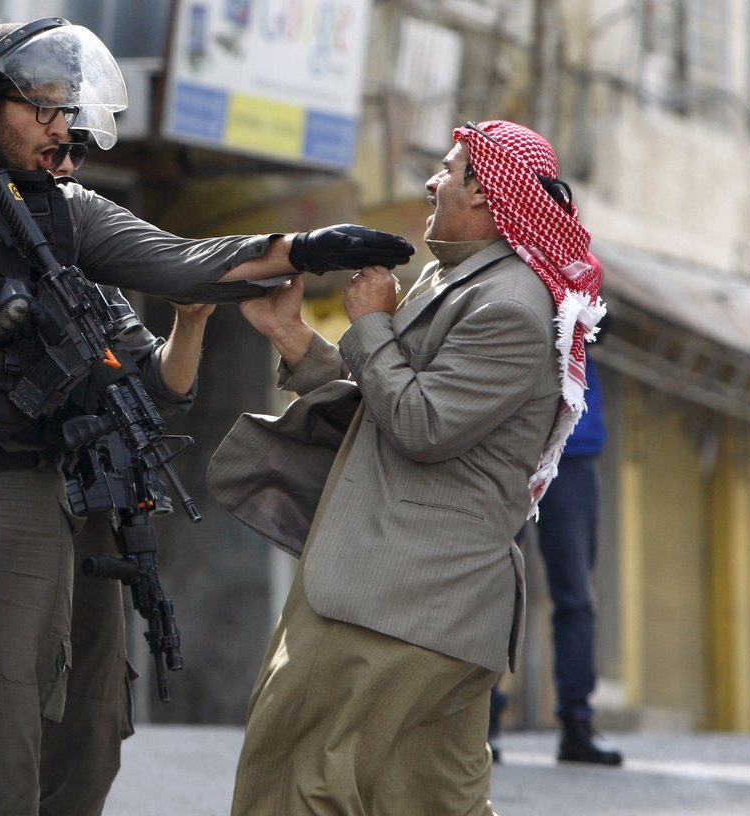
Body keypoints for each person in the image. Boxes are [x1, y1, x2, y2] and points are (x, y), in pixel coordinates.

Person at [0, 17, 414, 816]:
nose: (61, 126)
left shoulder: (67, 214)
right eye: (42, 107)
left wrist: (302, 249)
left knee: (13, 730)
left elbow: (182, 260)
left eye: (65, 108)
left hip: (32, 493)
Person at [208, 120, 605, 814]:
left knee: (298, 783)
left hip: (399, 602)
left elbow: (422, 425)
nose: (430, 182)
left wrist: (370, 324)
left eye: (448, 170)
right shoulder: (461, 281)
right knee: (428, 801)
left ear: (486, 197)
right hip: (425, 610)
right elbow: (384, 405)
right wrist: (297, 339)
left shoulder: (509, 305)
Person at [0, 134, 218, 816]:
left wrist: (192, 319)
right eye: (53, 151)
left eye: (75, 158)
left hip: (86, 508)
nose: (62, 167)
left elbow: (156, 383)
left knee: (93, 718)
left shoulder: (84, 256)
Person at [488, 351, 622, 767]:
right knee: (491, 588)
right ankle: (481, 724)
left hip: (572, 446)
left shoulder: (583, 282)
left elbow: (602, 319)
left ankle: (577, 725)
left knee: (575, 595)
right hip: (506, 440)